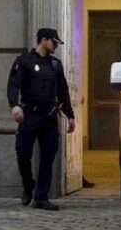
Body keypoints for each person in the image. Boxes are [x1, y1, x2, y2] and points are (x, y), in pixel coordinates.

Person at [6, 27, 76, 211]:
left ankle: (41, 197)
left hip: (48, 117)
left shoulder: (55, 64)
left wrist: (70, 116)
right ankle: (28, 185)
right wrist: (14, 105)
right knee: (23, 154)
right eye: (54, 42)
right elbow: (13, 84)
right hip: (29, 115)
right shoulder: (24, 61)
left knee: (48, 157)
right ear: (43, 40)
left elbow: (63, 91)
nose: (56, 46)